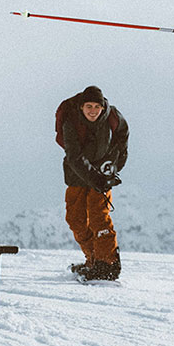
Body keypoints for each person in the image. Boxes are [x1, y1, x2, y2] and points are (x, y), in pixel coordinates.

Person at [59, 85, 129, 281]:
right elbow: (74, 157)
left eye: (96, 106)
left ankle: (107, 264)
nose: (92, 110)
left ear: (102, 106)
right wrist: (96, 178)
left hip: (102, 175)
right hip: (77, 174)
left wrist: (115, 166)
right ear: (81, 107)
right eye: (88, 106)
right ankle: (93, 260)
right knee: (75, 220)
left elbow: (123, 139)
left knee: (99, 217)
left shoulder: (113, 118)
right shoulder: (71, 122)